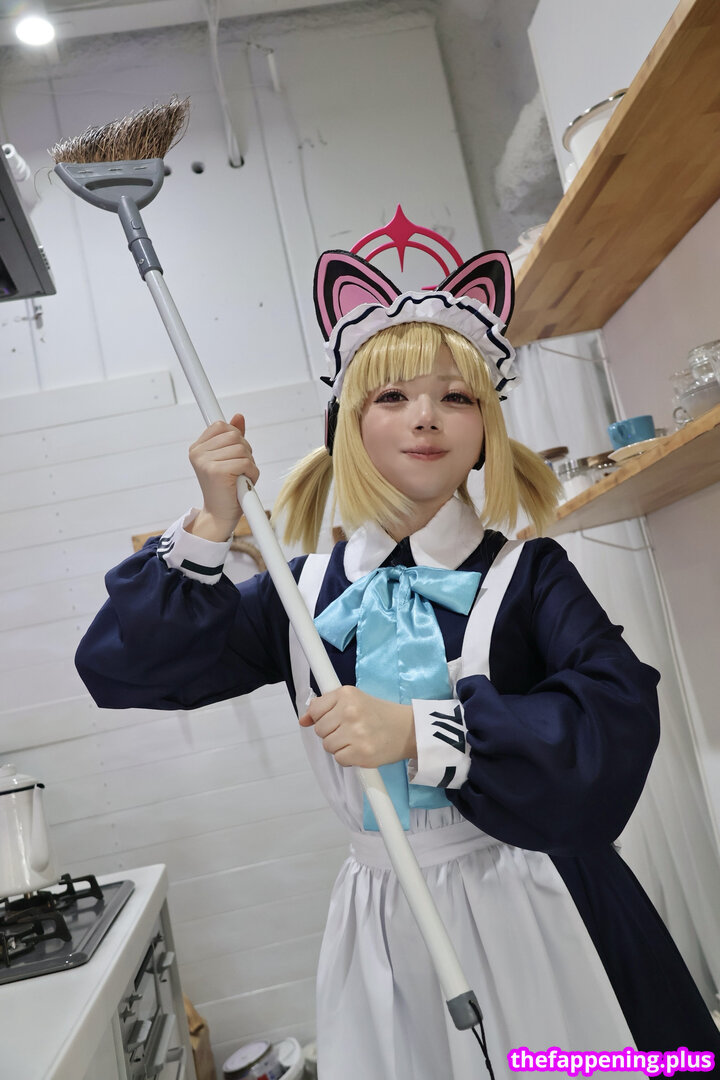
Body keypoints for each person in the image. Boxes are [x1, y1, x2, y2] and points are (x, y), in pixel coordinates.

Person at [75, 247, 720, 1079]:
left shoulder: (528, 574)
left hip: (546, 909)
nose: (426, 418)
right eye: (393, 396)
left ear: (484, 432)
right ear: (347, 424)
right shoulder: (299, 593)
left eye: (457, 397)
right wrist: (210, 521)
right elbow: (124, 668)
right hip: (388, 924)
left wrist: (422, 731)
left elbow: (616, 720)